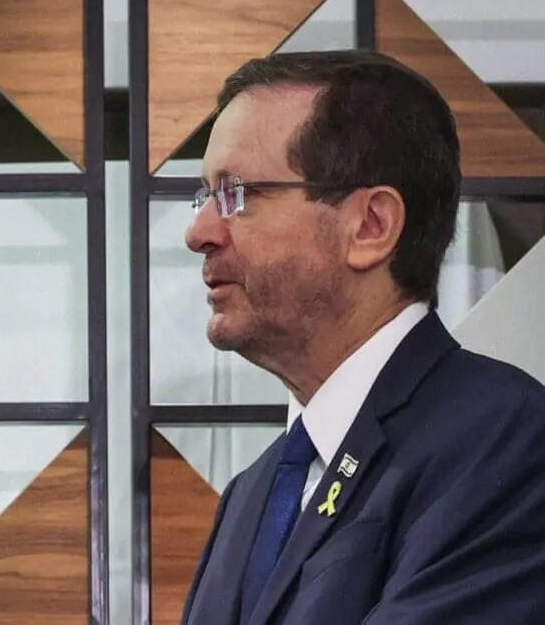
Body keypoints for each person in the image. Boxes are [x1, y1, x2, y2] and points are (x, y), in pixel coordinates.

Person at [180, 50, 545, 624]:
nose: (198, 233)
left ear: (371, 226)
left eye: (236, 194)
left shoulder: (507, 440)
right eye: (205, 197)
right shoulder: (250, 495)